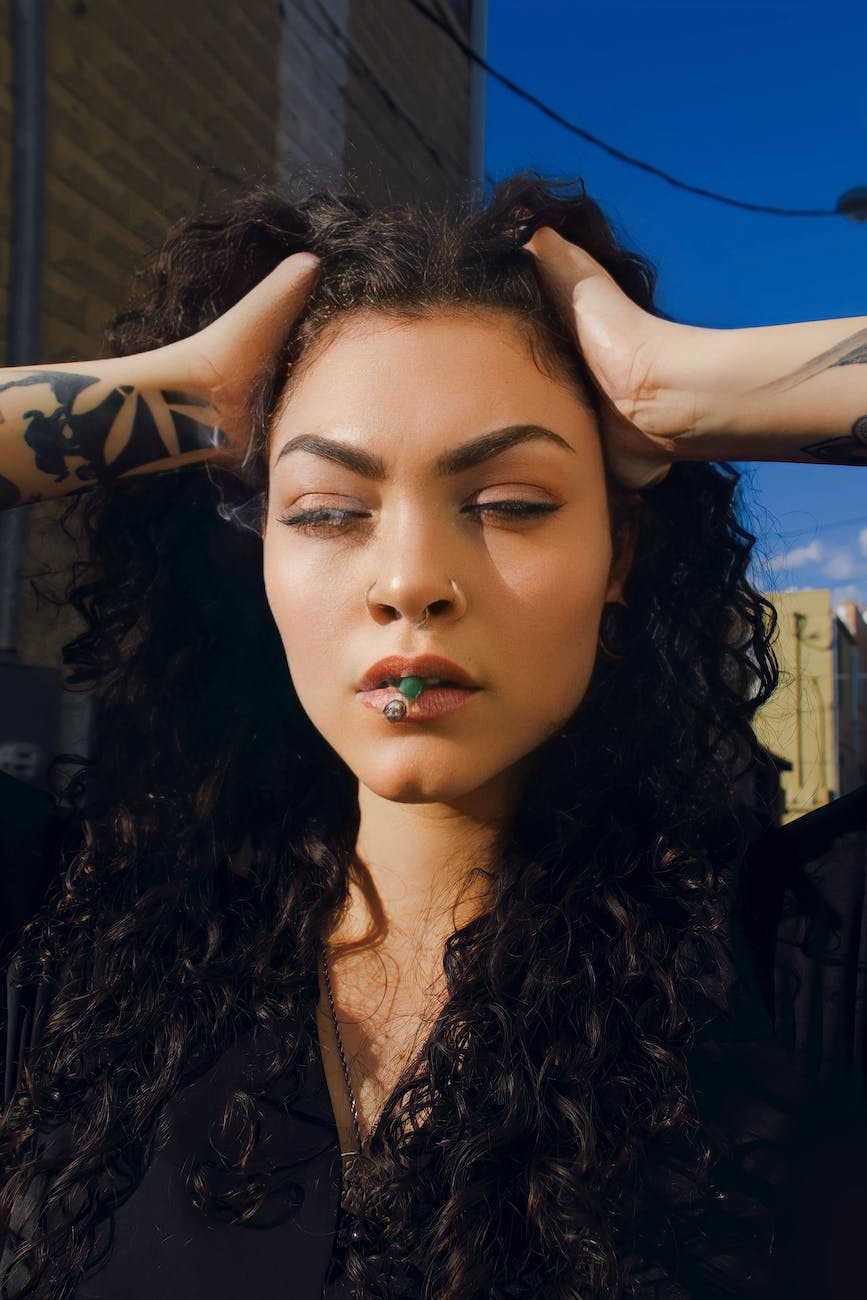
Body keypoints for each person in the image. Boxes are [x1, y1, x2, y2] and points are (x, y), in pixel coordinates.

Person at [0, 170, 865, 1299]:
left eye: (510, 501)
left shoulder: (800, 957)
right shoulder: (67, 938)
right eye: (324, 511)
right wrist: (178, 404)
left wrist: (679, 388)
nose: (410, 580)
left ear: (622, 556)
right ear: (255, 557)